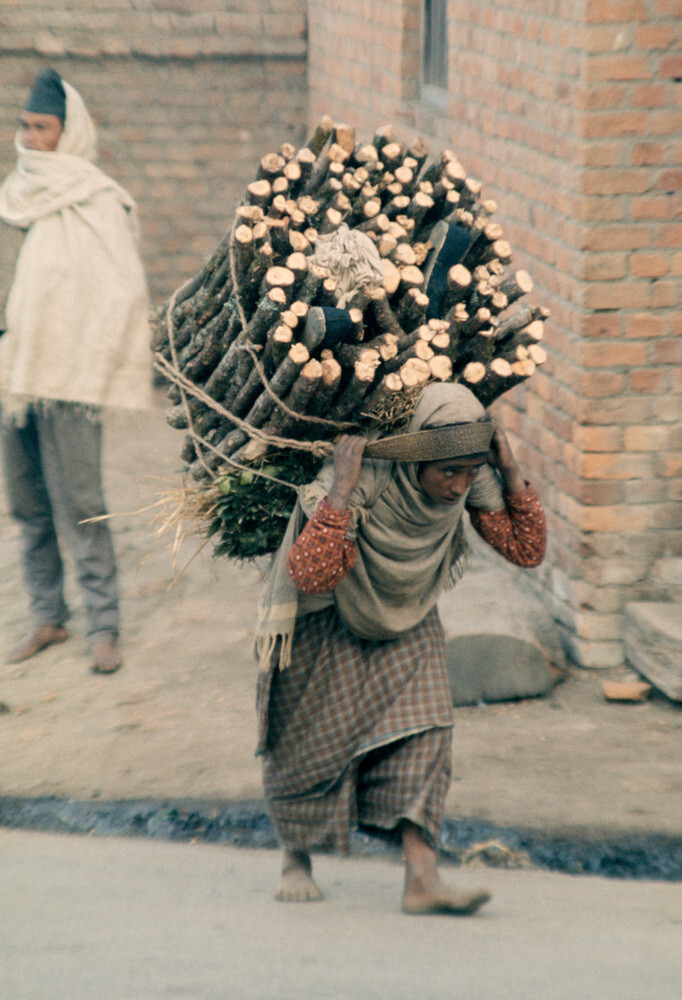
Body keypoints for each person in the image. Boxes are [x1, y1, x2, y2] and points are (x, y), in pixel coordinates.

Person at [255, 382, 546, 914]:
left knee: (427, 736)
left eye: (469, 469)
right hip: (332, 617)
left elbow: (527, 549)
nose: (459, 486)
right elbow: (312, 574)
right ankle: (295, 857)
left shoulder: (474, 473)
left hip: (410, 615)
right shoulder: (370, 473)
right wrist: (340, 489)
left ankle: (422, 879)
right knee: (311, 742)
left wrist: (506, 470)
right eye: (447, 472)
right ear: (417, 458)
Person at [0, 68, 151, 673]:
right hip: (14, 375)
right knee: (28, 504)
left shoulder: (97, 200)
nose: (30, 137)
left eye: (43, 128)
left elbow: (121, 293)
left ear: (70, 132)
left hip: (71, 375)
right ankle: (48, 618)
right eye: (25, 125)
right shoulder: (14, 195)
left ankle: (104, 626)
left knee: (81, 503)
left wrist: (81, 349)